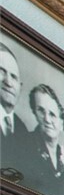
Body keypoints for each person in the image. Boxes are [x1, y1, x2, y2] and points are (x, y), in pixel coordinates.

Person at [19, 82, 64, 195]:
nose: (47, 119)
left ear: (62, 124)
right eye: (41, 111)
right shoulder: (23, 145)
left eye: (52, 114)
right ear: (34, 113)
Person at [0, 42, 30, 172]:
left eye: (13, 76)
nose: (8, 82)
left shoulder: (23, 130)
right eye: (1, 71)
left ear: (20, 87)